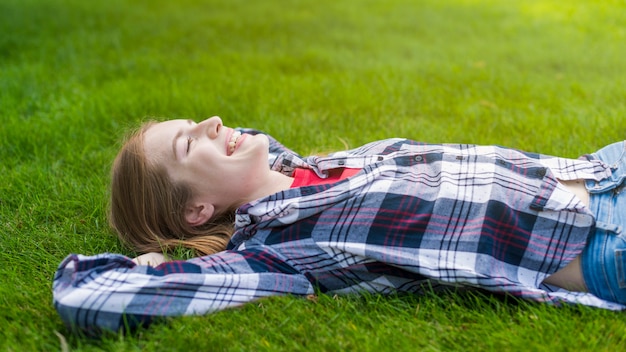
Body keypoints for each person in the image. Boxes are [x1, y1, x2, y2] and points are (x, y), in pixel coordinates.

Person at [53, 116, 626, 333]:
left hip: (600, 170)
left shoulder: (299, 169)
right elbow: (94, 299)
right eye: (189, 140)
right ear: (196, 212)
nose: (215, 121)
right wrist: (153, 261)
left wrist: (213, 154)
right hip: (602, 245)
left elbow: (249, 141)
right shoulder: (275, 253)